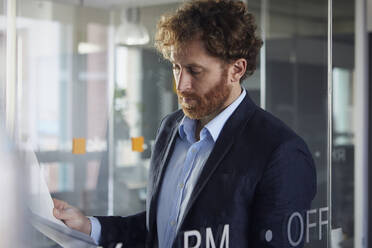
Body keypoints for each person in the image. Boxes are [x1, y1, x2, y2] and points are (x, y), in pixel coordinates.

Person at [53, 0, 317, 247]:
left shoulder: (280, 152)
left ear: (236, 70)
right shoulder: (170, 129)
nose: (181, 85)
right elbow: (163, 228)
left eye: (194, 71)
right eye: (176, 67)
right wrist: (89, 227)